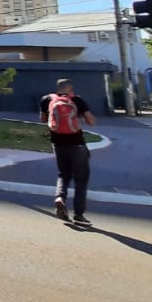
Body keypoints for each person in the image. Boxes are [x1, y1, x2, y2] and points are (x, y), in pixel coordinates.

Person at [38, 78, 96, 226]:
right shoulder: (77, 100)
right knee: (81, 179)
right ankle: (78, 214)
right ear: (70, 89)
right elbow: (91, 121)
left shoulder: (47, 99)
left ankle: (59, 198)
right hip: (77, 144)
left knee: (63, 174)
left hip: (57, 144)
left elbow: (43, 120)